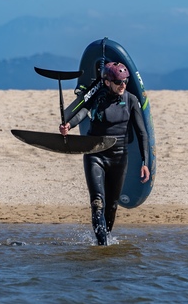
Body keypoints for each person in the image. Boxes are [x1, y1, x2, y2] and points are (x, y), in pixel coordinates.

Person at [59, 62, 150, 245]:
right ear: (107, 82)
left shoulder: (131, 100)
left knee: (112, 206)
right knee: (97, 203)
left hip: (119, 157)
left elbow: (142, 133)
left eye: (125, 81)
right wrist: (69, 124)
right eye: (118, 82)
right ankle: (102, 246)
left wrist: (145, 162)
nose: (122, 85)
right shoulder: (97, 97)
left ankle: (105, 240)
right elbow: (83, 111)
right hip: (96, 153)